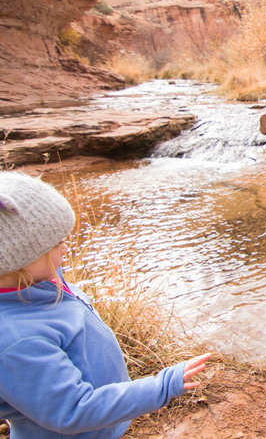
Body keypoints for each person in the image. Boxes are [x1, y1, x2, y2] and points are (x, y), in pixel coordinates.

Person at [0, 171, 211, 439]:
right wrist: (162, 386)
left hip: (102, 425)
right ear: (19, 259)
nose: (66, 247)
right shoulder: (15, 341)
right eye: (56, 243)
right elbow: (74, 409)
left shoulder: (37, 280)